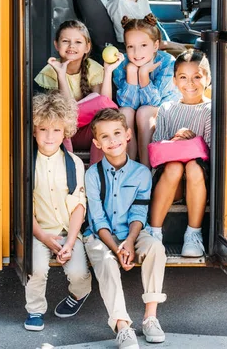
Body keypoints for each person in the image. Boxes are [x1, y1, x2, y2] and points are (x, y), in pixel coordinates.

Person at [83, 108, 167, 348]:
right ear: (97, 143)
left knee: (154, 247)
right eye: (105, 137)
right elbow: (97, 219)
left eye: (117, 133)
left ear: (128, 135)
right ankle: (122, 325)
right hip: (102, 236)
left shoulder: (141, 173)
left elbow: (139, 213)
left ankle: (150, 317)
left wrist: (130, 241)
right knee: (106, 260)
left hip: (131, 232)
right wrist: (116, 249)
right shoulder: (93, 175)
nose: (113, 141)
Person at [24, 92, 93, 332]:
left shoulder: (73, 163)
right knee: (37, 268)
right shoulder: (27, 163)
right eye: (43, 129)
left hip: (67, 232)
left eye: (56, 130)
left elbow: (78, 206)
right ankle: (35, 310)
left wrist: (70, 243)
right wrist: (43, 238)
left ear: (65, 131)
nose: (49, 136)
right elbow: (25, 208)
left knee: (79, 275)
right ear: (34, 131)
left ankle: (79, 294)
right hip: (38, 232)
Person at [149, 49, 212, 257]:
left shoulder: (210, 109)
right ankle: (154, 233)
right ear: (174, 81)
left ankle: (193, 234)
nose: (190, 83)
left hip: (199, 181)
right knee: (175, 166)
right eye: (183, 77)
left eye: (197, 77)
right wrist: (175, 140)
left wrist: (194, 140)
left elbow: (213, 151)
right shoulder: (167, 108)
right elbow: (157, 149)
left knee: (193, 166)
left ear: (207, 79)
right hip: (171, 182)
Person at [35, 20, 123, 165]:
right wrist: (61, 75)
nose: (71, 46)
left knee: (104, 120)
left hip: (87, 133)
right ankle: (69, 171)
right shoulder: (51, 70)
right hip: (63, 132)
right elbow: (63, 109)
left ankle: (98, 174)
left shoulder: (93, 68)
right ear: (56, 45)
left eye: (78, 42)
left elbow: (106, 109)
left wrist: (107, 71)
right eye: (65, 41)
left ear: (87, 47)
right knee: (60, 120)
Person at [112, 14, 180, 168]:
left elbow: (154, 103)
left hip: (163, 111)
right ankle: (127, 169)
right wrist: (131, 73)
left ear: (155, 46)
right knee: (124, 112)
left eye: (143, 45)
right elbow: (128, 103)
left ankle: (146, 169)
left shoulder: (167, 62)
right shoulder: (123, 63)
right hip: (139, 110)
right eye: (130, 46)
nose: (136, 53)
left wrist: (143, 75)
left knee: (144, 112)